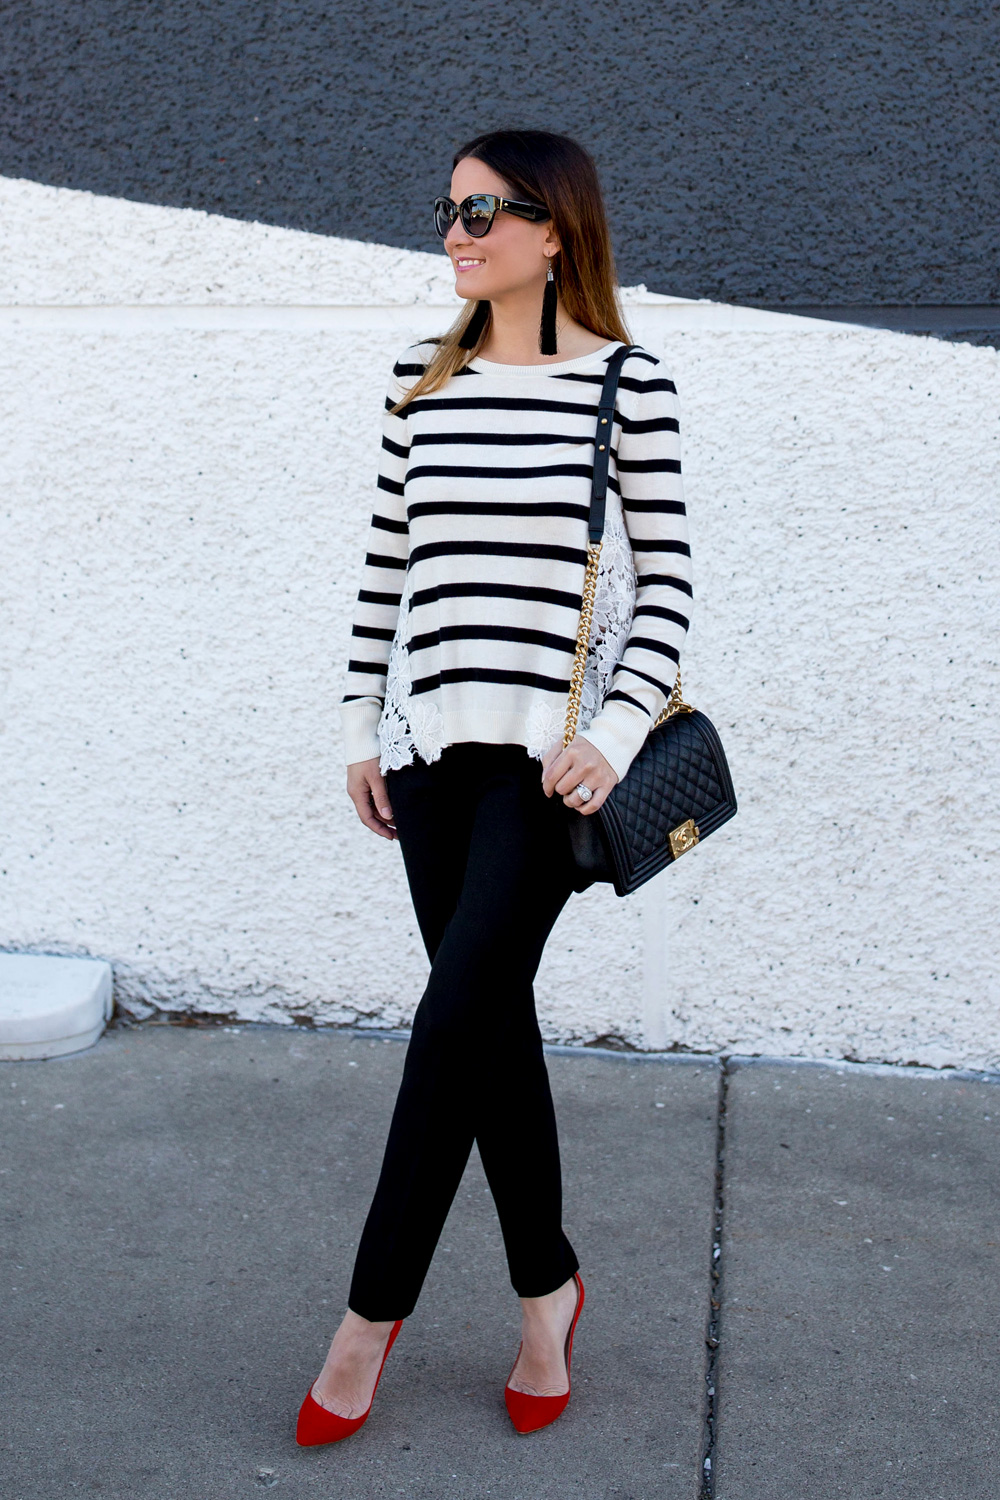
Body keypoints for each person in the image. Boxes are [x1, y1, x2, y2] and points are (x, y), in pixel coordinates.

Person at [296, 128, 691, 1444]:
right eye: (449, 210)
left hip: (549, 771)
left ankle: (363, 1328)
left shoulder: (626, 387)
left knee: (445, 1028)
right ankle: (547, 1295)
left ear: (555, 229)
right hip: (430, 760)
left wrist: (618, 735)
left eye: (482, 211)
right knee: (488, 1034)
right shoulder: (422, 375)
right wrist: (362, 724)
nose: (455, 233)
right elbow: (381, 573)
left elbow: (670, 594)